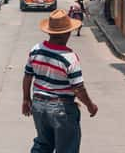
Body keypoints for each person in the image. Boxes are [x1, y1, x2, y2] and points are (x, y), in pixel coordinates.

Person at [22, 9, 98, 153]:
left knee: (43, 145)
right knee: (67, 148)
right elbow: (78, 88)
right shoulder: (69, 58)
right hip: (61, 109)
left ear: (49, 32)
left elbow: (27, 76)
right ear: (67, 33)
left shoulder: (36, 50)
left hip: (38, 105)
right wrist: (90, 105)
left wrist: (26, 99)